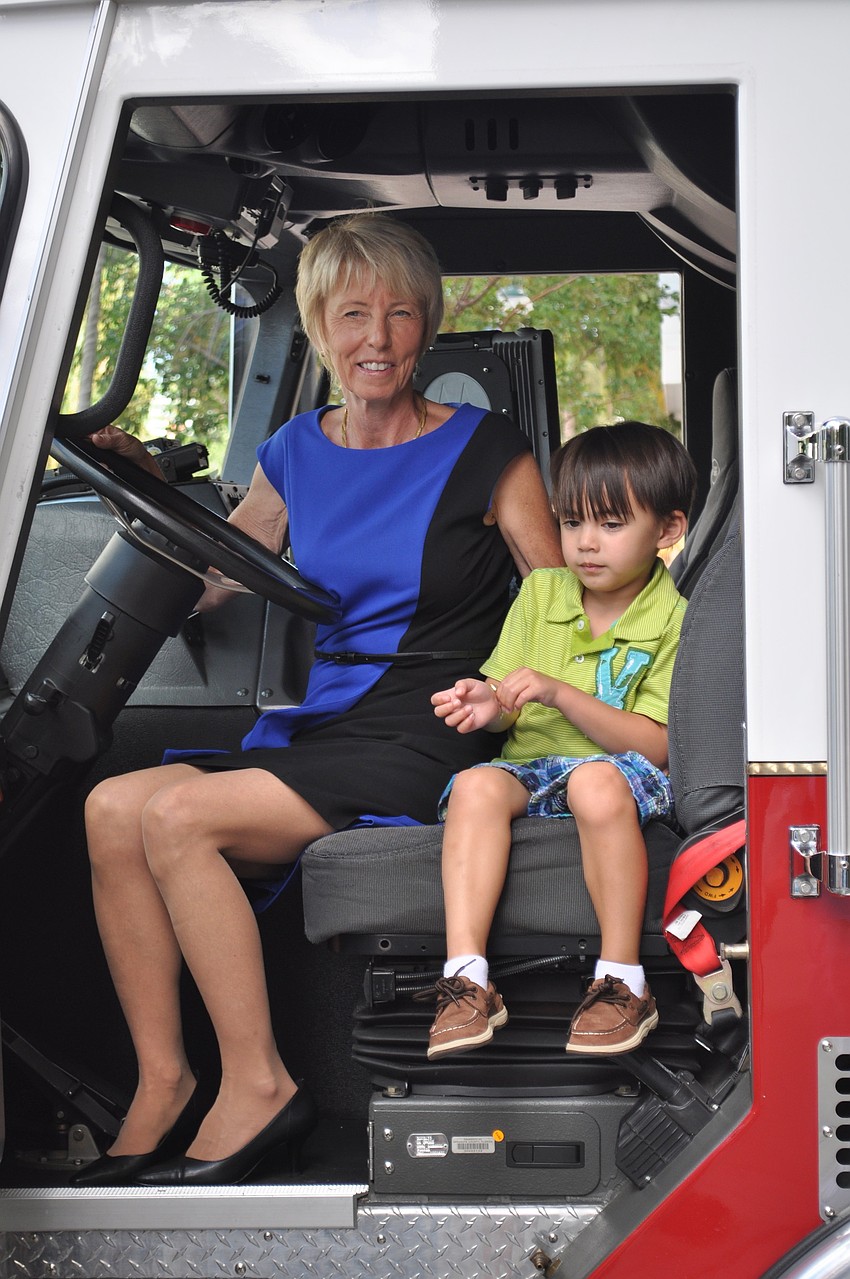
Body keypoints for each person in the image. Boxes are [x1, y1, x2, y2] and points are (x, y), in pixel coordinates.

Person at [71, 212, 563, 1187]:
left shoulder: (487, 448)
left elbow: (556, 600)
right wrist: (137, 491)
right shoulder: (294, 450)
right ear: (318, 324)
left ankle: (257, 1085)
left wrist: (516, 705)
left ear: (426, 325)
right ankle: (163, 1081)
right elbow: (221, 572)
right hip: (326, 716)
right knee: (108, 807)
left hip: (430, 719)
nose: (375, 339)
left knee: (176, 814)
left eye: (398, 314)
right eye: (351, 315)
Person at [426, 421, 697, 1060]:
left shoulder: (674, 618)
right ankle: (465, 980)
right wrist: (484, 703)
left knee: (594, 779)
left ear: (666, 530)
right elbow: (507, 704)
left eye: (609, 524)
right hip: (533, 768)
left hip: (620, 771)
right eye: (572, 523)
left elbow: (655, 748)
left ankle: (622, 982)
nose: (584, 544)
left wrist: (560, 692)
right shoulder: (543, 591)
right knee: (474, 784)